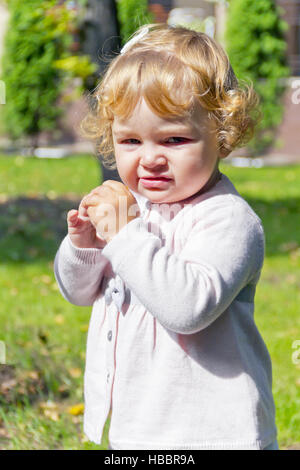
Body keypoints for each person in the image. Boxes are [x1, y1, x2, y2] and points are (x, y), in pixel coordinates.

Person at [54, 24, 278, 450]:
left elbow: (187, 308)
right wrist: (83, 247)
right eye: (131, 140)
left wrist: (122, 235)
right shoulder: (133, 215)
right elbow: (79, 293)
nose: (151, 158)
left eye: (174, 139)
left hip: (215, 434)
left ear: (223, 135)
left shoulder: (228, 220)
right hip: (141, 428)